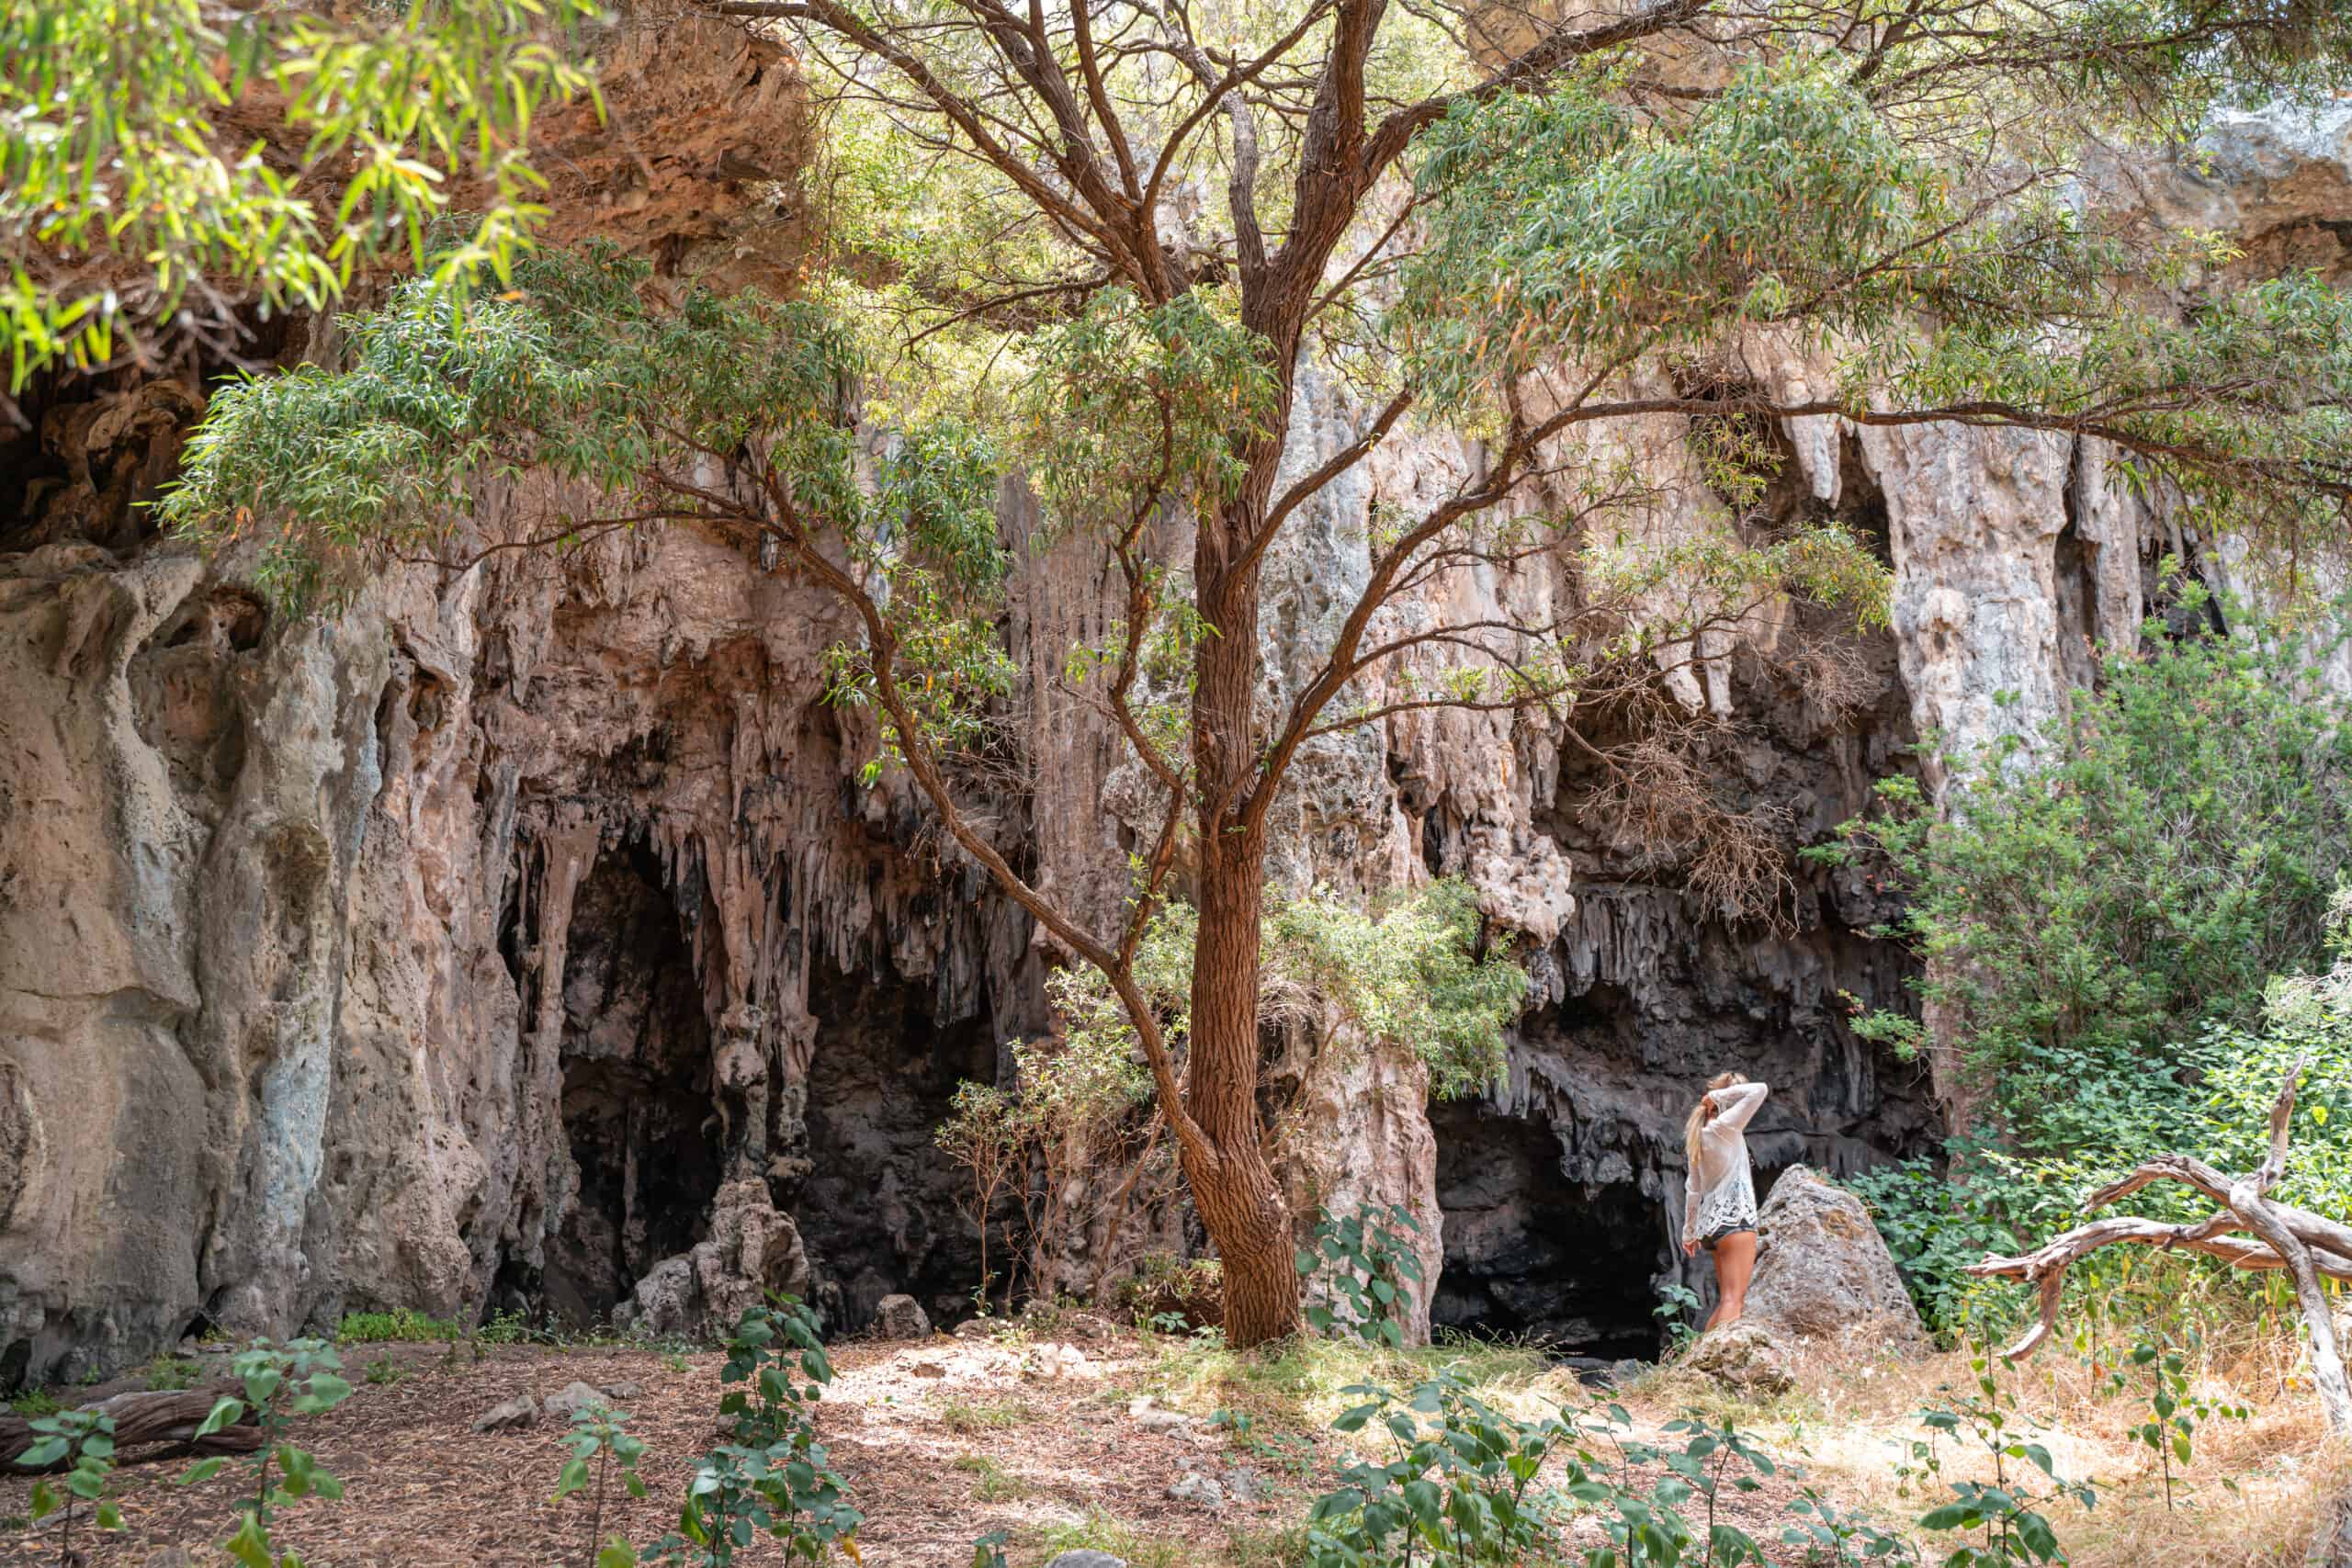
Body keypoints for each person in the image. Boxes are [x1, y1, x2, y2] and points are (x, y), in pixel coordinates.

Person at [1679, 1071, 1769, 1333]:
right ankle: (1722, 1367)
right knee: (1734, 1301)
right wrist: (1716, 1096)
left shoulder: (1699, 1135)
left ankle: (1700, 1363)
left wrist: (1689, 1233)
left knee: (1724, 1302)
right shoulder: (1726, 1126)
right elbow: (1760, 1090)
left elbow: (1692, 1189)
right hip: (1735, 1220)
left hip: (1711, 1228)